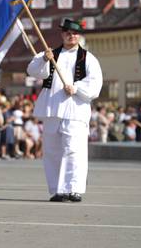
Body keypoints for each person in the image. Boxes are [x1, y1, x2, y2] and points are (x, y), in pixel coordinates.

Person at [26, 18, 102, 202]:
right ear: (62, 34)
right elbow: (33, 70)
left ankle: (73, 189)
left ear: (79, 36)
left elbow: (95, 85)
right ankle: (57, 189)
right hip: (52, 109)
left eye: (74, 33)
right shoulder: (51, 54)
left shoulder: (88, 58)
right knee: (52, 151)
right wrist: (44, 59)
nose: (71, 35)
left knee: (73, 150)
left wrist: (76, 89)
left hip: (75, 110)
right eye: (68, 32)